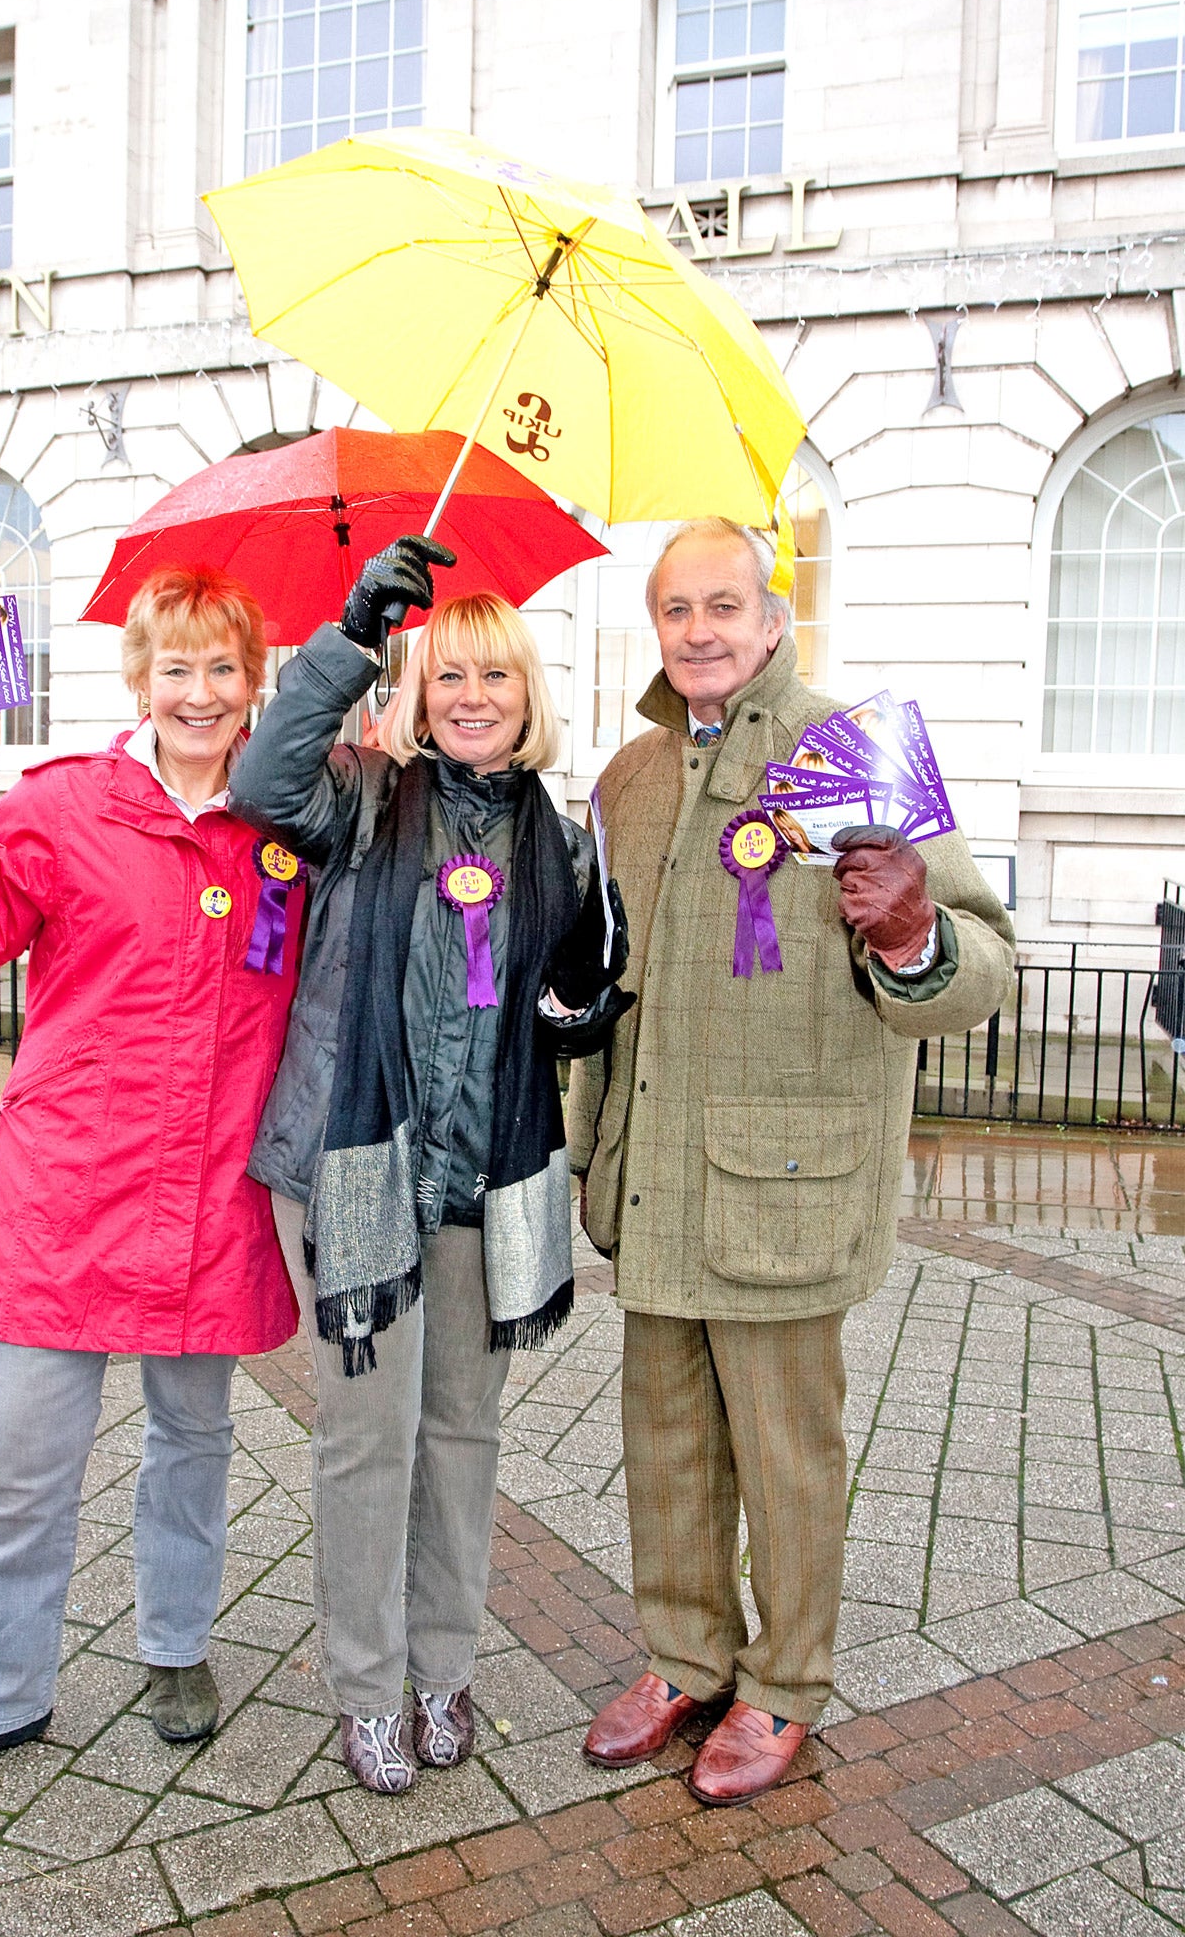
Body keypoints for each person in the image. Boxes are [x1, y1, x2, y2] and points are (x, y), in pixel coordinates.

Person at [571, 518, 1014, 1806]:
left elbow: (983, 964)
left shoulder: (851, 749)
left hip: (785, 1185)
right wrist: (586, 1135)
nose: (699, 630)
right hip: (653, 1176)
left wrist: (915, 924)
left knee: (786, 1453)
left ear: (775, 621)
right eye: (674, 610)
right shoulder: (632, 776)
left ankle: (784, 1682)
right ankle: (683, 1653)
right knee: (663, 1441)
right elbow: (607, 976)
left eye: (724, 605)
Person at [0, 566, 304, 1806]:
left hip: (209, 1198)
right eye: (175, 667)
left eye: (223, 668)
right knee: (27, 1471)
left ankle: (175, 1647)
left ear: (252, 689)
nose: (198, 691)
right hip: (65, 1195)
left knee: (194, 1440)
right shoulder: (63, 805)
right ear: (140, 681)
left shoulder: (287, 828)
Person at [231, 538, 631, 1796]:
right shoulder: (360, 792)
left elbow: (566, 999)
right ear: (418, 685)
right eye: (449, 673)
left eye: (495, 679)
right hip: (362, 1165)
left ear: (526, 697)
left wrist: (591, 984)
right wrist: (347, 637)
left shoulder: (556, 840)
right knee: (368, 1434)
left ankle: (442, 1665)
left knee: (462, 1430)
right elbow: (258, 778)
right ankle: (364, 1684)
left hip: (484, 1176)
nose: (471, 696)